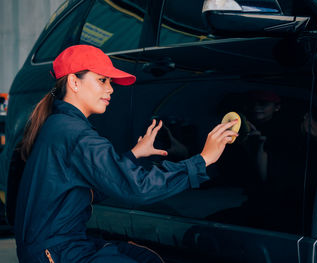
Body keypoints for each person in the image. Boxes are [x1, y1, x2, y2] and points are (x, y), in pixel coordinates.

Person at [9, 45, 237, 263]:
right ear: (74, 83)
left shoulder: (59, 125)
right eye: (102, 80)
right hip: (57, 253)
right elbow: (138, 188)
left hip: (56, 247)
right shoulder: (76, 135)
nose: (110, 89)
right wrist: (203, 159)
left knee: (145, 257)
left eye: (110, 82)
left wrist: (133, 154)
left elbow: (87, 190)